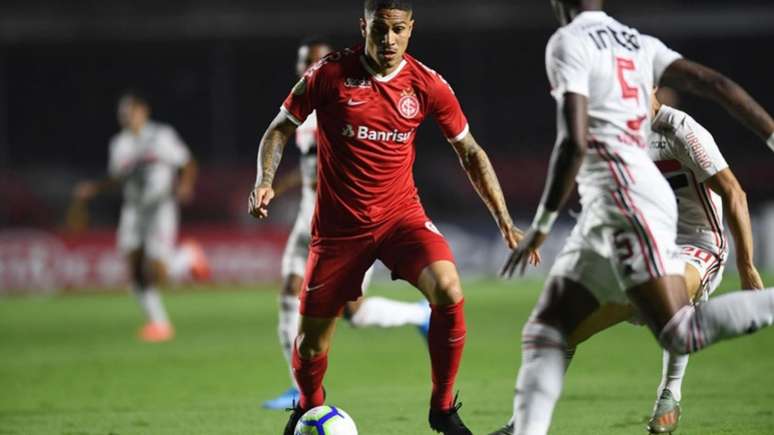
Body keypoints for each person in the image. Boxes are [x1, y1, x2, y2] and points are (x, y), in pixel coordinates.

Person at [249, 1, 538, 433]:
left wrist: (503, 219)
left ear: (410, 29)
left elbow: (470, 152)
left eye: (398, 30)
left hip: (400, 218)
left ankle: (442, 409)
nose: (388, 40)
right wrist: (264, 179)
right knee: (311, 345)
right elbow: (279, 128)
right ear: (364, 26)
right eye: (380, 29)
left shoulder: (426, 85)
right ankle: (309, 408)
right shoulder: (329, 74)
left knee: (448, 287)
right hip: (338, 230)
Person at [493, 1, 774, 434]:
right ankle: (521, 427)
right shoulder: (637, 47)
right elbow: (713, 82)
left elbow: (733, 192)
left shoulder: (679, 129)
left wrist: (747, 264)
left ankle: (672, 391)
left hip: (696, 240)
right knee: (553, 333)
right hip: (638, 219)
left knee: (673, 323)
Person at [262, 37, 434, 411]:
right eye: (304, 60)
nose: (310, 66)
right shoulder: (301, 111)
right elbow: (310, 167)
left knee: (348, 312)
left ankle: (420, 314)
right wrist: (271, 183)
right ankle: (297, 389)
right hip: (307, 222)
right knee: (289, 292)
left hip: (345, 225)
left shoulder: (344, 104)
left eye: (316, 60)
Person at [72, 91, 209, 342]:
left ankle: (188, 257)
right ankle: (160, 325)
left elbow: (188, 162)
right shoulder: (119, 144)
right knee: (134, 270)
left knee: (157, 273)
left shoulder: (161, 136)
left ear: (143, 111)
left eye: (131, 112)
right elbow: (117, 178)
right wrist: (95, 188)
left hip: (160, 207)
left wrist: (186, 185)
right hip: (133, 210)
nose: (127, 118)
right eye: (123, 114)